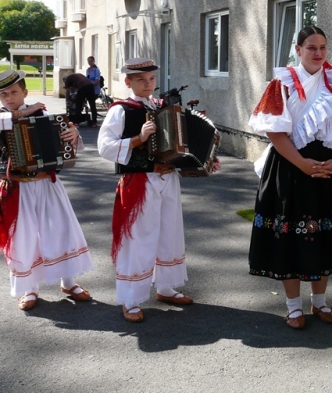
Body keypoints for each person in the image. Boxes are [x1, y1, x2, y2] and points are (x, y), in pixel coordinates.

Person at [248, 26, 332, 330]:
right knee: (291, 236)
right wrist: (302, 164)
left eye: (323, 47)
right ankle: (293, 307)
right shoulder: (281, 83)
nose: (319, 53)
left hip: (330, 170)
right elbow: (275, 131)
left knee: (324, 234)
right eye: (311, 47)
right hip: (290, 167)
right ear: (298, 50)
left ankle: (320, 301)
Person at [97, 58, 196, 323]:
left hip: (167, 179)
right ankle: (130, 299)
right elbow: (105, 147)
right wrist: (138, 139)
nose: (148, 84)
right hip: (140, 182)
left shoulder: (163, 106)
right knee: (138, 240)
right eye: (141, 80)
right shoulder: (120, 110)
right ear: (128, 82)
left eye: (151, 79)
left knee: (169, 233)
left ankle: (166, 287)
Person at [0, 69, 93, 311]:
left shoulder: (42, 115)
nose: (9, 98)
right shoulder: (1, 117)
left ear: (25, 92)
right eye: (3, 94)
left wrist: (73, 135)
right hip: (17, 188)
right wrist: (24, 112)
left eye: (14, 92)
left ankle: (69, 281)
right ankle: (29, 288)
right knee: (25, 238)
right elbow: (9, 120)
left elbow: (67, 144)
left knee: (61, 230)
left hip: (46, 183)